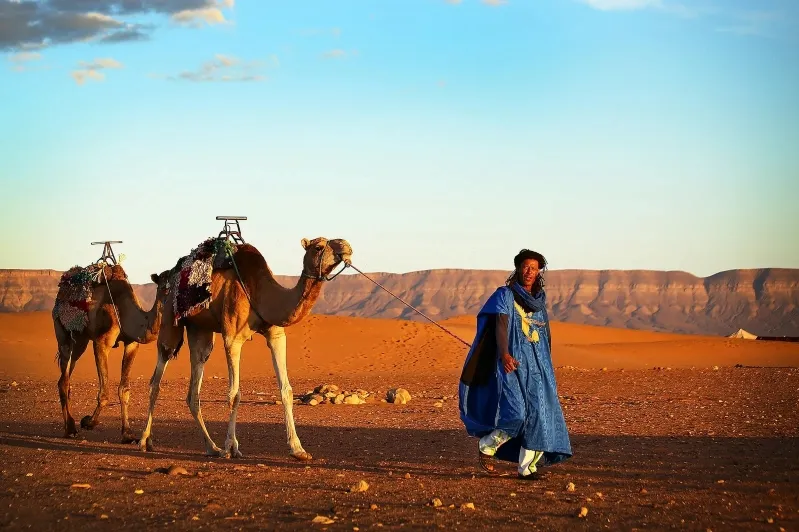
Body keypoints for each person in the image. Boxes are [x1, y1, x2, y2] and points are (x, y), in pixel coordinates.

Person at [458, 249, 572, 479]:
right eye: (526, 267)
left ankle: (526, 468)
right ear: (518, 268)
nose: (530, 272)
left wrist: (547, 367)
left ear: (539, 271)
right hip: (511, 365)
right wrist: (504, 354)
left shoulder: (539, 303)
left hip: (538, 369)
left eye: (534, 268)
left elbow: (546, 336)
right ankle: (488, 445)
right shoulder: (505, 295)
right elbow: (501, 325)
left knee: (540, 416)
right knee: (516, 413)